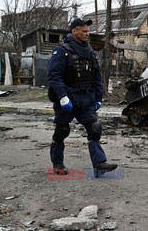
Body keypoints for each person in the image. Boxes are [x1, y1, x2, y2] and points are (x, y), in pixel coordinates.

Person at [47, 18, 117, 177]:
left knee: (95, 127)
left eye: (88, 31)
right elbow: (53, 77)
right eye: (84, 31)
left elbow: (97, 76)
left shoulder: (90, 52)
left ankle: (99, 164)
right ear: (74, 31)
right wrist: (63, 97)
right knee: (62, 131)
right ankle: (58, 164)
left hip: (86, 99)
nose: (87, 34)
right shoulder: (62, 51)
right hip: (68, 99)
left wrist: (98, 98)